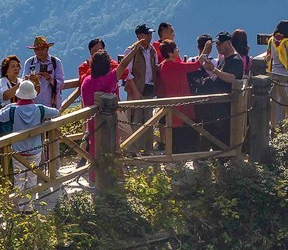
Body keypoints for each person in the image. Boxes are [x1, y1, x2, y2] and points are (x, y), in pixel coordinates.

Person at [81, 41, 144, 174]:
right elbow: (123, 65)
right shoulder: (109, 78)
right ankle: (116, 175)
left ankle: (94, 176)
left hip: (92, 120)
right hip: (109, 118)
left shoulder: (86, 81)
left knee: (94, 146)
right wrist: (134, 50)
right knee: (113, 145)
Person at [0, 79, 60, 191]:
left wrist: (8, 106)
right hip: (35, 150)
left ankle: (18, 205)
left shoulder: (13, 110)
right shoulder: (40, 109)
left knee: (18, 179)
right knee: (32, 178)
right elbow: (56, 112)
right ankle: (30, 204)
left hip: (18, 151)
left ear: (19, 94)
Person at [158, 38, 213, 154]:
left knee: (184, 131)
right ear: (170, 53)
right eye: (175, 49)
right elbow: (196, 65)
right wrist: (205, 52)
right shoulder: (171, 66)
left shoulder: (167, 65)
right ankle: (177, 159)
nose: (178, 50)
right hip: (178, 106)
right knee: (180, 134)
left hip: (180, 104)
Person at [199, 31, 251, 149]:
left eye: (220, 44)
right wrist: (205, 52)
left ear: (228, 43)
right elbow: (201, 62)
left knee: (222, 137)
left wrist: (214, 70)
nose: (217, 47)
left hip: (225, 108)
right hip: (215, 106)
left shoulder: (236, 60)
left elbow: (232, 78)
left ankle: (225, 159)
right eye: (216, 44)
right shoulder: (223, 58)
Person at [126, 24, 160, 151]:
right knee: (135, 120)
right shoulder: (131, 51)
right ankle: (134, 150)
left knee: (149, 121)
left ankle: (148, 149)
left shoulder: (152, 50)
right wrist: (134, 90)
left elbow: (154, 67)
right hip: (137, 89)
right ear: (139, 36)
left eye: (150, 34)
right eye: (147, 34)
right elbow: (127, 73)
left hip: (149, 88)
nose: (150, 36)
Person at [22, 36, 65, 108]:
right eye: (37, 49)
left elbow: (61, 84)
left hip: (52, 104)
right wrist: (32, 80)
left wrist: (50, 79)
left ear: (47, 49)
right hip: (34, 105)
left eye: (42, 49)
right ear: (34, 51)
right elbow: (23, 83)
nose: (40, 51)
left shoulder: (56, 62)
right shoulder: (29, 63)